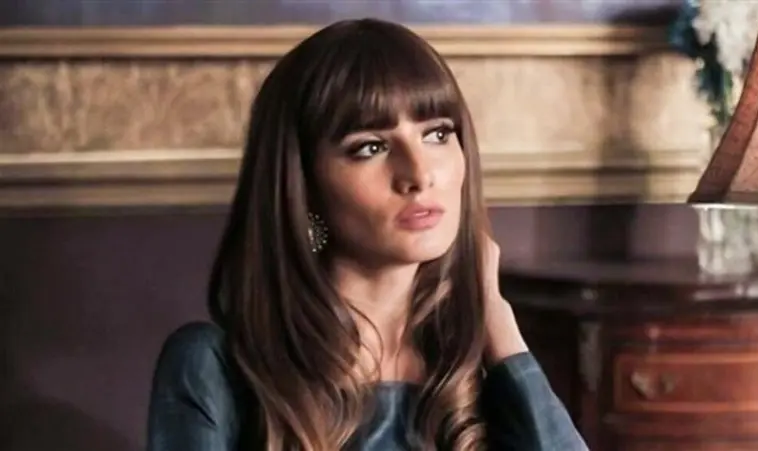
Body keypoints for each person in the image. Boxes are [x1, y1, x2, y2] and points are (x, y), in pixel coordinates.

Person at [146, 18, 588, 451]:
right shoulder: (215, 369)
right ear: (304, 184)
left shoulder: (485, 374)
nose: (419, 174)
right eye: (370, 147)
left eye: (437, 134)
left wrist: (497, 319)